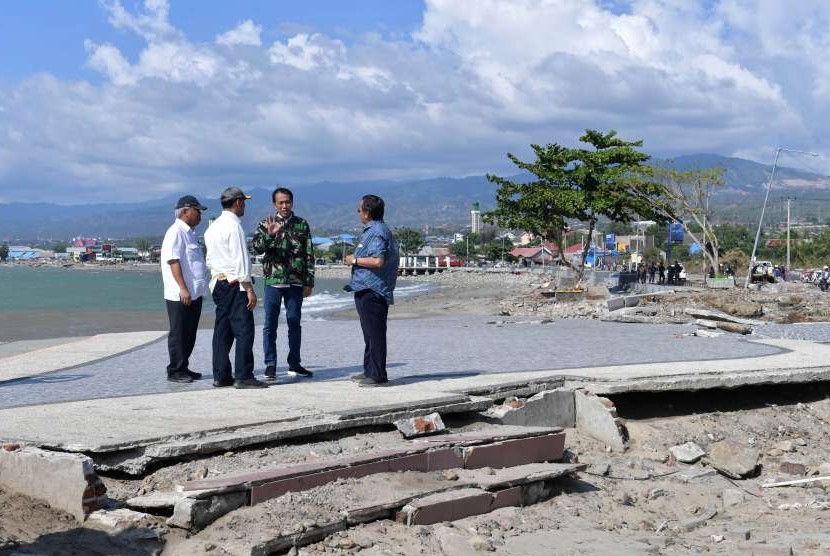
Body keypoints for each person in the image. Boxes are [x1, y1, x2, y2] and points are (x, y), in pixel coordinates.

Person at [204, 186, 268, 389]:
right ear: (238, 202)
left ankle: (221, 375)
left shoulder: (212, 227)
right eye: (244, 202)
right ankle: (243, 375)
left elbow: (208, 260)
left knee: (222, 331)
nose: (245, 206)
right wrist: (249, 288)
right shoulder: (234, 227)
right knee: (244, 330)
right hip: (234, 283)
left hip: (218, 282)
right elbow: (241, 261)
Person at [251, 187, 315, 380]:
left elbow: (309, 255)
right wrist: (270, 235)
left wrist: (309, 282)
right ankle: (270, 365)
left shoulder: (301, 224)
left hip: (295, 282)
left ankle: (294, 363)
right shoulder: (265, 223)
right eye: (281, 202)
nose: (285, 205)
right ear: (275, 204)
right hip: (273, 281)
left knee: (294, 323)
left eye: (287, 202)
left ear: (292, 202)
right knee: (270, 325)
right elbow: (256, 248)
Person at [344, 195, 400, 387]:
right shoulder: (373, 230)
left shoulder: (377, 232)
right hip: (364, 288)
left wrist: (354, 260)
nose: (358, 213)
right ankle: (369, 369)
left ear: (367, 212)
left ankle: (377, 375)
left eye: (359, 210)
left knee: (375, 333)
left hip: (373, 289)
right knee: (369, 333)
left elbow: (378, 261)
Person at [160, 195, 209, 384]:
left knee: (189, 332)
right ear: (186, 211)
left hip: (194, 293)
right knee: (179, 332)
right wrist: (183, 288)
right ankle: (175, 370)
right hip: (180, 294)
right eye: (198, 211)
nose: (200, 216)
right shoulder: (176, 232)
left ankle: (184, 366)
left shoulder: (189, 233)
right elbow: (173, 261)